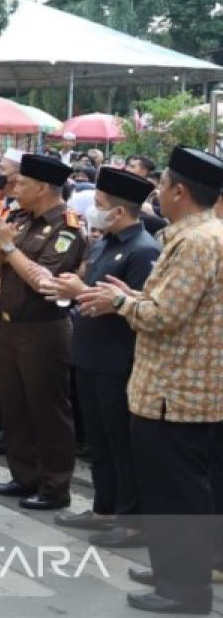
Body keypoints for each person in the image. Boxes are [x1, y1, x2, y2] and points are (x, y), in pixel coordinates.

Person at [79, 147, 223, 616]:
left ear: (179, 192)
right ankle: (173, 572)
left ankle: (186, 589)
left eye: (161, 186)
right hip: (172, 387)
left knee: (178, 495)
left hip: (175, 392)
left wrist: (120, 304)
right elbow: (171, 303)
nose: (156, 193)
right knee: (170, 492)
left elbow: (164, 317)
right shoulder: (194, 236)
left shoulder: (197, 241)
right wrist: (131, 294)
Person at [43, 167, 159, 547]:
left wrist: (78, 291)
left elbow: (137, 308)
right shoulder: (101, 244)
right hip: (89, 354)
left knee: (121, 444)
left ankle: (132, 520)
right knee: (98, 441)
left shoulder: (143, 250)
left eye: (99, 205)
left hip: (118, 359)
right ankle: (104, 506)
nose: (93, 211)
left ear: (120, 212)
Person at [0, 154, 87, 510]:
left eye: (22, 184)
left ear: (42, 187)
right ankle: (23, 475)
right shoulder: (21, 218)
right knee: (14, 406)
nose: (16, 189)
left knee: (47, 408)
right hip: (10, 324)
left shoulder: (68, 227)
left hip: (44, 329)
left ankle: (54, 486)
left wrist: (10, 247)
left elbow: (45, 281)